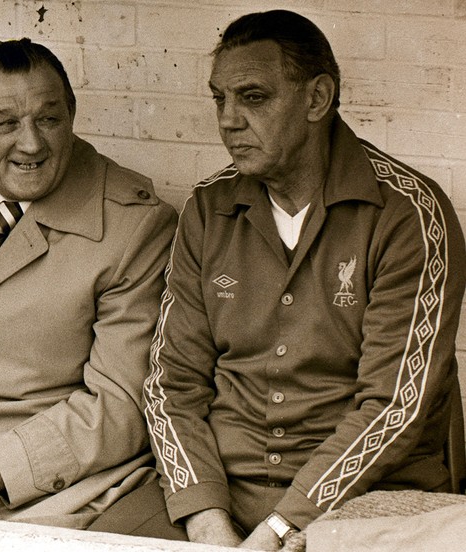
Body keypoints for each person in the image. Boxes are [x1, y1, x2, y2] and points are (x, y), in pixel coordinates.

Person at [143, 9, 466, 550]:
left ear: (317, 99)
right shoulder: (207, 209)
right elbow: (170, 386)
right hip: (222, 494)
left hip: (366, 502)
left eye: (253, 97)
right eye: (219, 98)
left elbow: (394, 405)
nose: (227, 120)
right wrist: (205, 518)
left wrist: (281, 526)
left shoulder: (409, 213)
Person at [0, 38, 177, 529]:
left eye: (49, 119)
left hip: (53, 485)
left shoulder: (134, 225)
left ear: (72, 114)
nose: (32, 143)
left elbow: (120, 403)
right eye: (5, 123)